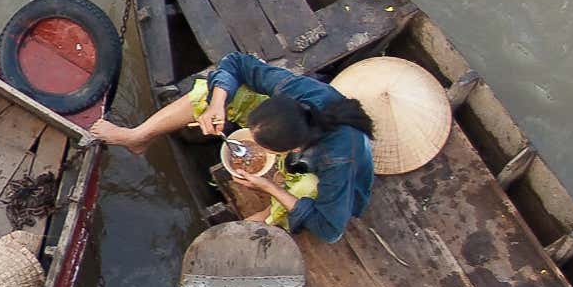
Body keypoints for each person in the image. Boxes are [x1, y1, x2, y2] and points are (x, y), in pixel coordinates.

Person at [93, 51, 378, 243]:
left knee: (304, 191)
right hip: (297, 144)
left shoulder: (339, 160)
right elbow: (237, 62)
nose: (249, 144)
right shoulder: (295, 92)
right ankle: (138, 137)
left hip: (321, 176)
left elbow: (330, 230)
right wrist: (217, 105)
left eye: (260, 145)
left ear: (288, 151)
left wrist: (270, 188)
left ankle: (262, 221)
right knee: (211, 90)